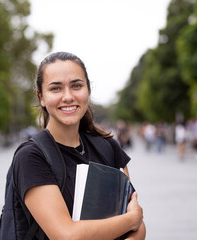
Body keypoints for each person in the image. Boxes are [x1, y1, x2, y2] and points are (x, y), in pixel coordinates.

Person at [12, 52, 145, 239]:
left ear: (88, 90)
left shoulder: (108, 148)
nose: (68, 96)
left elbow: (139, 230)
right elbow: (67, 235)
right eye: (56, 88)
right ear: (41, 97)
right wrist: (131, 219)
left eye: (76, 86)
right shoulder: (32, 157)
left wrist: (134, 221)